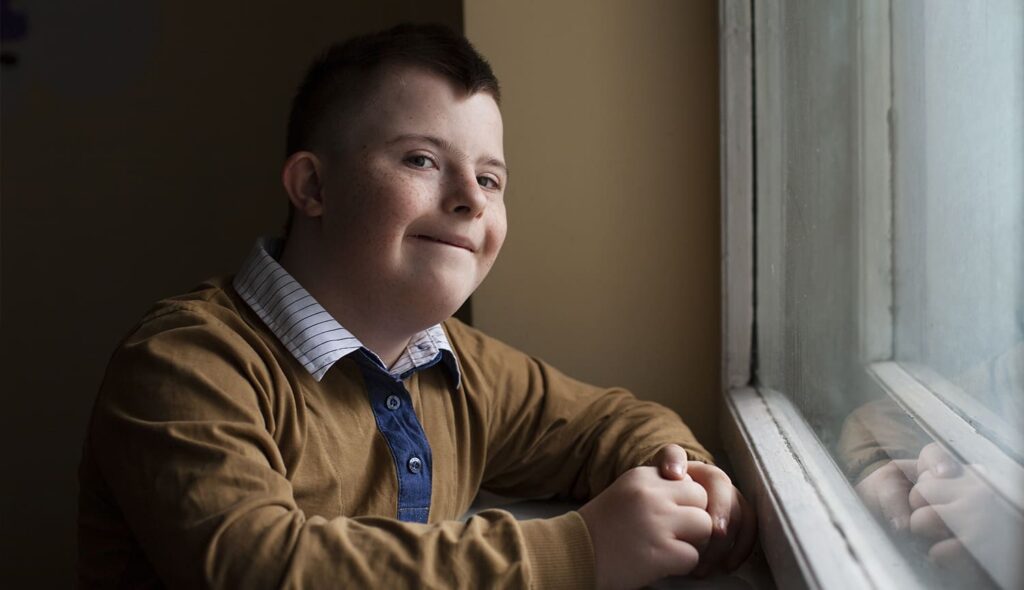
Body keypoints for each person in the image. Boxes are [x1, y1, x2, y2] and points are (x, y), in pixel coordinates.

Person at [77, 23, 755, 589]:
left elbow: (606, 422)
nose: (471, 199)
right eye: (422, 161)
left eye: (491, 178)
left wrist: (684, 469)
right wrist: (578, 552)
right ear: (313, 186)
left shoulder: (456, 363)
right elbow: (263, 566)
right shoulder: (186, 363)